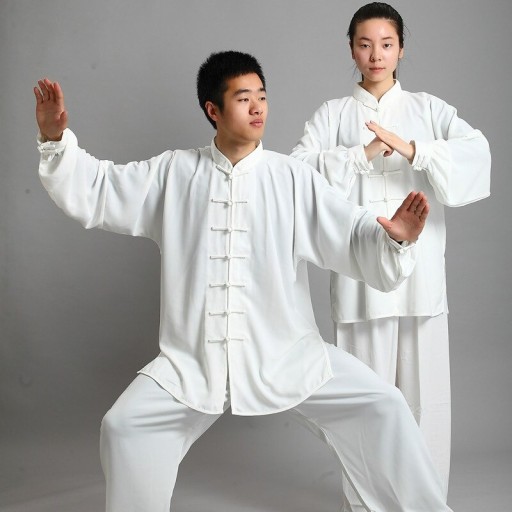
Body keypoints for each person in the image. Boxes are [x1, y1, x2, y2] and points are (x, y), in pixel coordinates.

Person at [35, 50, 451, 512]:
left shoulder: (291, 178)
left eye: (262, 97)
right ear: (213, 110)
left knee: (383, 405)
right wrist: (55, 140)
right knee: (124, 428)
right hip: (193, 361)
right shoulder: (174, 173)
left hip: (287, 353)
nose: (257, 108)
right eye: (243, 98)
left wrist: (393, 238)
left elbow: (350, 231)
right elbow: (101, 187)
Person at [291, 3, 491, 510]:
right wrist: (360, 156)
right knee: (364, 405)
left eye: (386, 44)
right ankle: (365, 505)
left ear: (402, 48)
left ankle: (426, 502)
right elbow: (296, 177)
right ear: (351, 49)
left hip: (421, 283)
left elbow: (477, 153)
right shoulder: (332, 115)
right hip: (359, 282)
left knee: (427, 405)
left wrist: (415, 150)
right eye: (365, 44)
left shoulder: (428, 109)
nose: (375, 55)